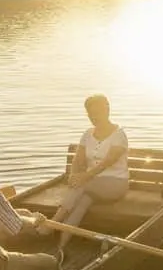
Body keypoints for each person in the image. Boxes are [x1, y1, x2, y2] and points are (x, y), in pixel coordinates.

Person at [53, 94, 129, 252]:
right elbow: (78, 160)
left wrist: (83, 178)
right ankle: (61, 246)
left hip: (115, 184)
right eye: (90, 114)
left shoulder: (119, 135)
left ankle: (52, 222)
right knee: (81, 204)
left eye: (97, 113)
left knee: (82, 187)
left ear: (107, 110)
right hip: (89, 185)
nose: (94, 117)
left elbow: (106, 163)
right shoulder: (87, 134)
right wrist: (74, 175)